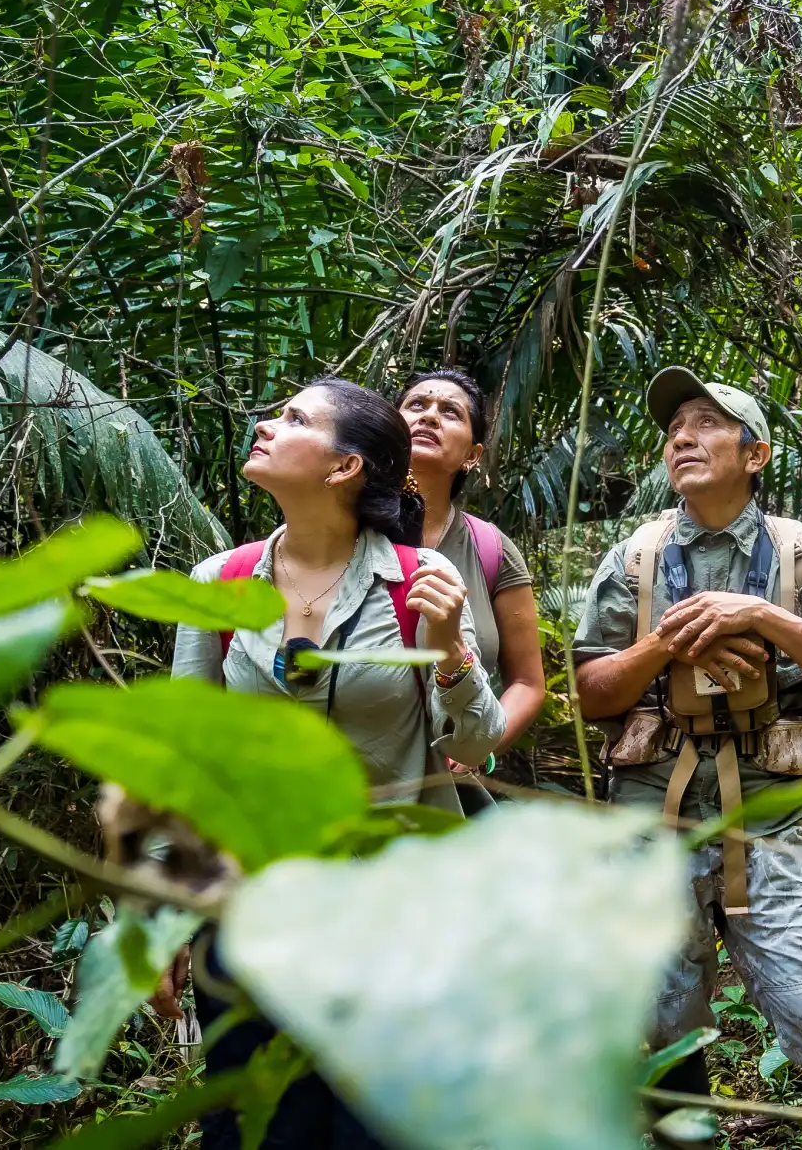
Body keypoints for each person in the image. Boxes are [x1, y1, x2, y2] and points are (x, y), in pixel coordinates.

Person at [171, 374, 505, 1149]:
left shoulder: (415, 586)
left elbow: (473, 744)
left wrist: (452, 646)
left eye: (292, 417)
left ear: (343, 466)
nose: (264, 422)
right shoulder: (217, 584)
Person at [573, 367, 802, 1145]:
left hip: (768, 805)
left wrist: (757, 613)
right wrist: (669, 639)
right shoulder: (635, 557)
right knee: (656, 1010)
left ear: (757, 455)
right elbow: (592, 690)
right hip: (650, 805)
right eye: (674, 428)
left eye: (706, 423)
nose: (681, 436)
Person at [397, 369, 547, 805]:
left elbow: (527, 682)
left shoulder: (491, 549)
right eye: (416, 406)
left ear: (473, 455)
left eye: (449, 412)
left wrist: (479, 748)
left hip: (453, 785)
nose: (429, 417)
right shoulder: (338, 532)